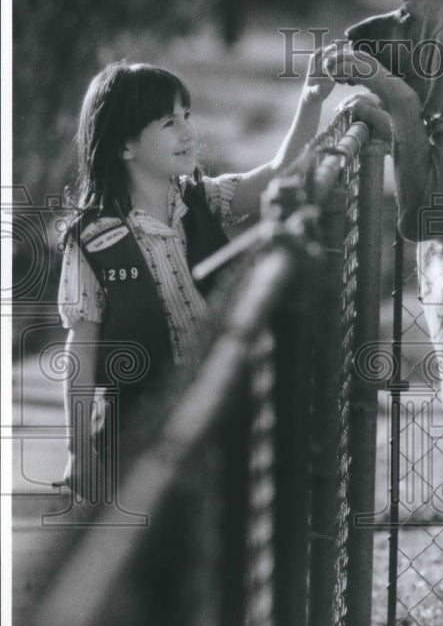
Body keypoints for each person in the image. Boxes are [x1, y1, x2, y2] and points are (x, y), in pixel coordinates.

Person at [58, 55, 334, 501]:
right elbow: (81, 349)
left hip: (218, 408)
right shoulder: (94, 239)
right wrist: (80, 451)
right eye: (169, 122)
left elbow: (276, 174)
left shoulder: (201, 198)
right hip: (141, 427)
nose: (189, 131)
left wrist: (310, 101)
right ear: (125, 146)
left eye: (187, 116)